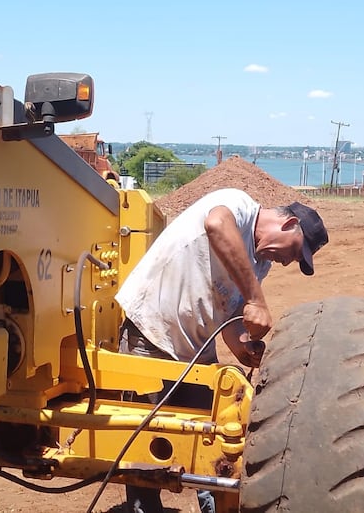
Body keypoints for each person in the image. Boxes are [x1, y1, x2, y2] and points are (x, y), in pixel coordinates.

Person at [115, 188, 328, 513]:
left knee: (215, 443)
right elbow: (216, 223)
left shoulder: (259, 266)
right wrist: (256, 300)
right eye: (295, 252)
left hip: (195, 352)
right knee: (148, 446)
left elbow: (229, 315)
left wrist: (244, 349)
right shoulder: (239, 206)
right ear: (289, 224)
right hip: (150, 334)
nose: (288, 262)